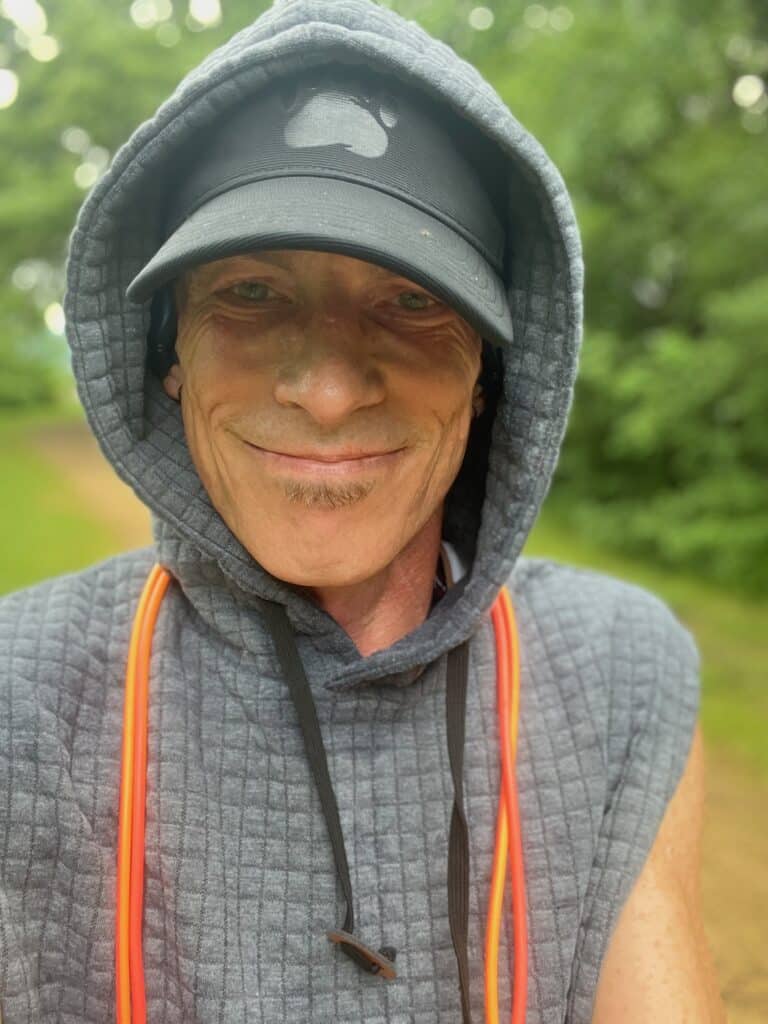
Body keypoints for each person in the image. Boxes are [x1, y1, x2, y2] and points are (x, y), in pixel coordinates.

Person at [0, 1, 726, 1021]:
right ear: (168, 350)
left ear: (490, 372)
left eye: (414, 300)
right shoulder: (20, 698)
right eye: (252, 294)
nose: (330, 391)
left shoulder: (620, 677)